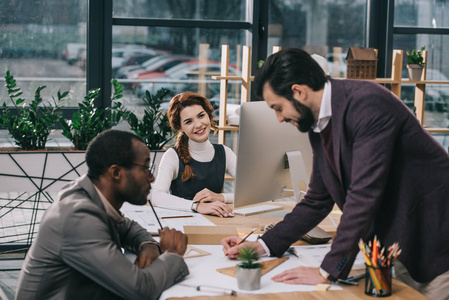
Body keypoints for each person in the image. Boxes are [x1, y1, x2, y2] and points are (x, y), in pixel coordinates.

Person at [221, 48, 449, 299]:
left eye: (278, 107)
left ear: (298, 91)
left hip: (435, 241)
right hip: (396, 246)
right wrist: (264, 245)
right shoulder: (318, 124)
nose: (278, 118)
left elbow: (363, 196)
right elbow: (317, 200)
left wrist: (327, 271)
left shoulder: (368, 104)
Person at [16, 130, 189, 300]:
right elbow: (140, 289)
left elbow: (127, 227)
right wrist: (173, 253)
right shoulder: (79, 218)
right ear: (115, 173)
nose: (151, 178)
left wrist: (148, 245)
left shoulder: (89, 195)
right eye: (145, 168)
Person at [152, 91, 235, 218]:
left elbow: (252, 190)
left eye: (201, 116)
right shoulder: (172, 155)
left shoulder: (224, 152)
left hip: (217, 224)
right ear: (180, 128)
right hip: (183, 225)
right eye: (188, 122)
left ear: (209, 115)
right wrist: (196, 206)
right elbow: (156, 196)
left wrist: (221, 197)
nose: (198, 125)